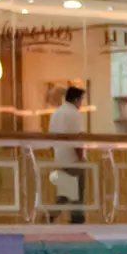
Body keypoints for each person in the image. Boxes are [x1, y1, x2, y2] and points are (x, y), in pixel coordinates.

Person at [48, 85, 87, 225]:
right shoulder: (74, 114)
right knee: (76, 194)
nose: (81, 103)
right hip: (72, 159)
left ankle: (50, 214)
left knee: (65, 192)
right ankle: (77, 220)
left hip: (60, 158)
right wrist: (81, 158)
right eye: (81, 100)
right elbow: (77, 139)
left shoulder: (57, 112)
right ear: (77, 99)